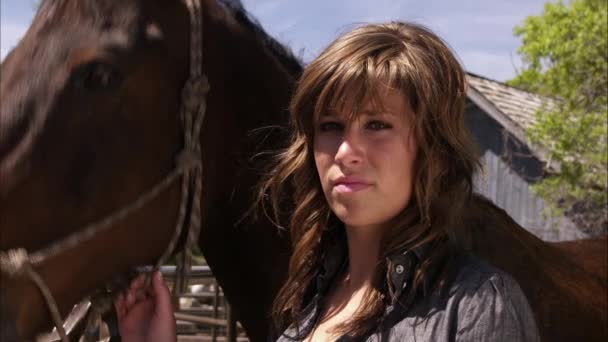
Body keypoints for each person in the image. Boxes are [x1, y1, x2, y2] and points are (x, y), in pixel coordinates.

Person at [116, 21, 540, 341]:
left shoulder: (478, 307)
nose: (345, 151)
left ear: (432, 147)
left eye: (377, 124)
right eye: (331, 125)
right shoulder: (307, 300)